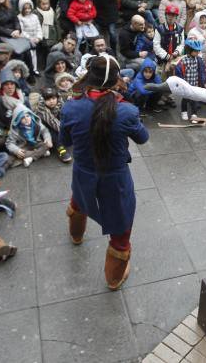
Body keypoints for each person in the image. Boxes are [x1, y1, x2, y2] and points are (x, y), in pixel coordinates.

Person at [60, 55, 149, 289]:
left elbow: (65, 139)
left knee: (78, 202)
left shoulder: (71, 107)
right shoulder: (126, 111)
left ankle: (76, 236)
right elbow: (143, 137)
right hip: (115, 180)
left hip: (83, 172)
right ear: (115, 80)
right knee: (120, 233)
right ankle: (113, 279)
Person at [174, 40, 206, 120]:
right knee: (185, 99)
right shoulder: (183, 60)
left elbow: (201, 71)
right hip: (185, 84)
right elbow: (179, 71)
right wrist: (180, 83)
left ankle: (194, 114)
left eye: (198, 51)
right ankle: (184, 112)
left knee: (194, 99)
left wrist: (202, 81)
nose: (197, 53)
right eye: (195, 51)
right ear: (189, 50)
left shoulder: (198, 59)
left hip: (194, 84)